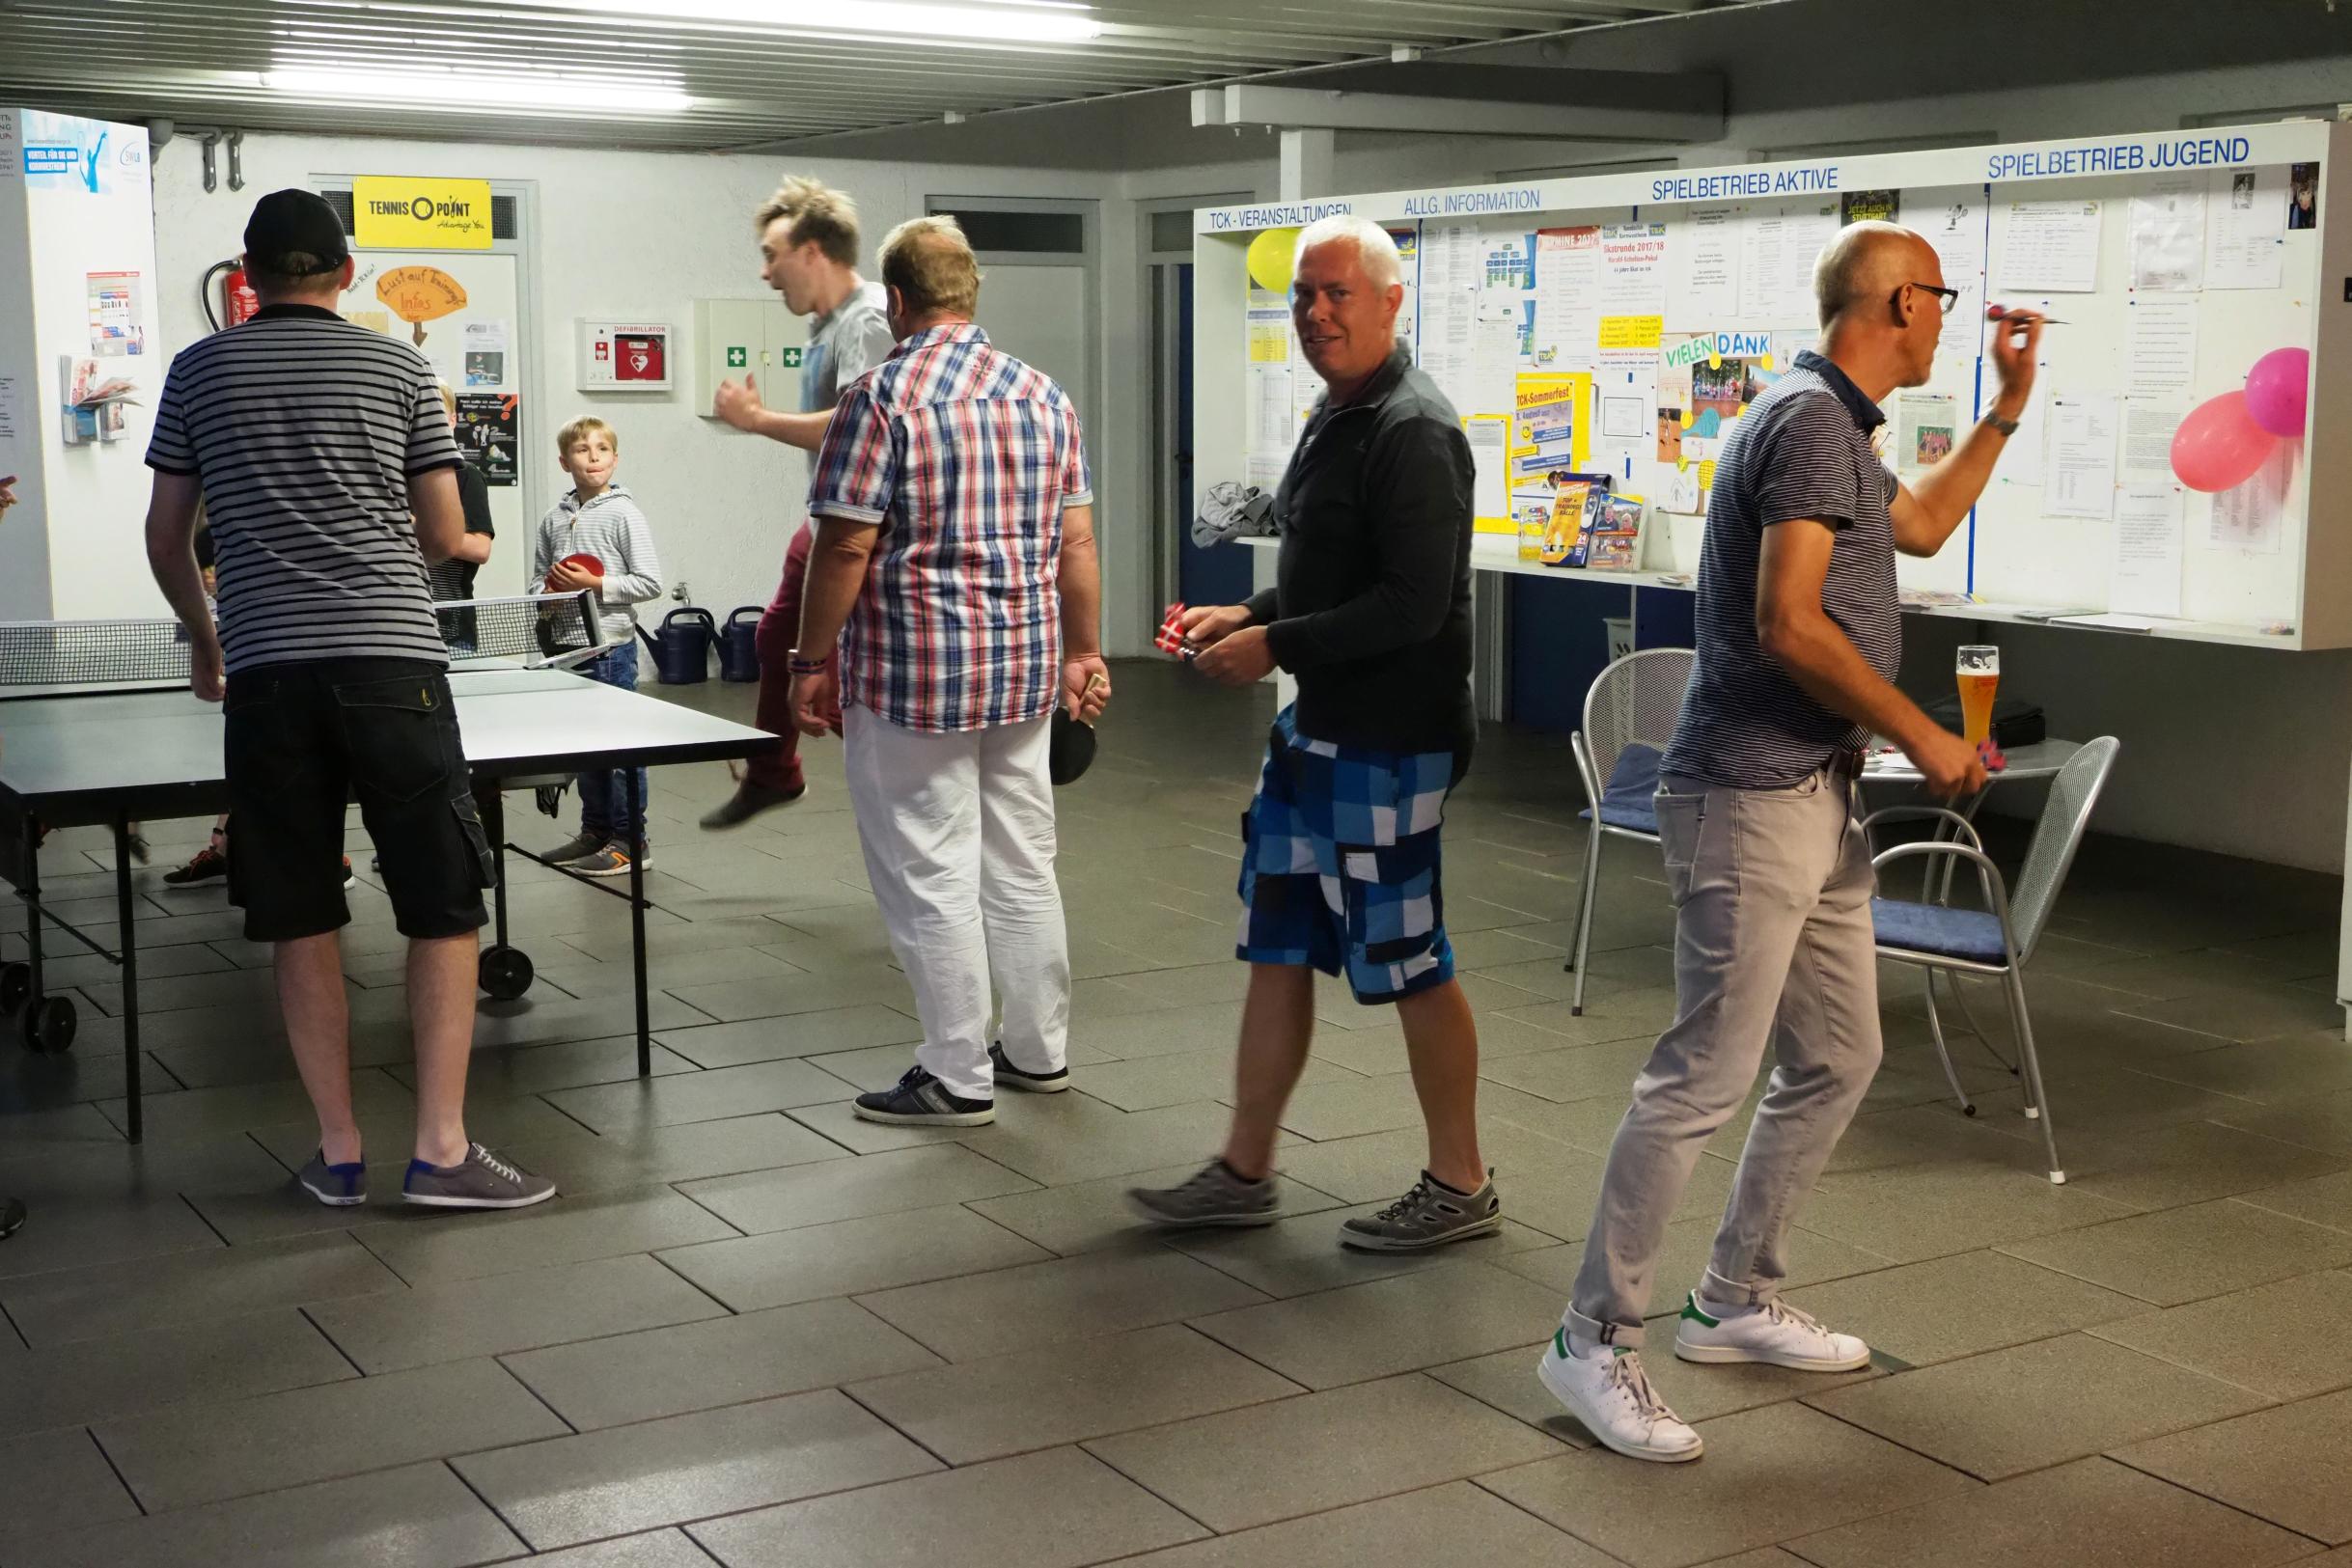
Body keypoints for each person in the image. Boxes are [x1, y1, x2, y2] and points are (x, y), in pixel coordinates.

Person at [1535, 222, 2038, 1463]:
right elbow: (1787, 622)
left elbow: (1923, 526)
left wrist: (2007, 407)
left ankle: (1733, 1297)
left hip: (1816, 796)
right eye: (1940, 296)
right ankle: (1590, 1339)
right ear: (1897, 301)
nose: (1948, 315)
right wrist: (1921, 732)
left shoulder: (1837, 426)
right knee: (1702, 1074)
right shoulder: (1809, 422)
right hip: (1750, 795)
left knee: (1839, 1053)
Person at [141, 187, 554, 1211]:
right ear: (348, 272)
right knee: (442, 907)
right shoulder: (400, 368)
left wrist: (206, 639)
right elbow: (444, 532)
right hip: (392, 664)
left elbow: (165, 535)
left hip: (267, 672)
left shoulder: (197, 369)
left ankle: (336, 1154)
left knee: (300, 914)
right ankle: (441, 1151)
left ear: (247, 278)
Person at [1126, 215, 1500, 1252]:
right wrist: (1246, 613)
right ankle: (1243, 1169)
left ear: (1390, 300)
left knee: (1409, 959)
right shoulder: (1339, 411)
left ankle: (1461, 1183)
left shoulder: (1413, 430)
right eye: (1303, 294)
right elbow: (1329, 571)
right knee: (1279, 943)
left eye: (1338, 293)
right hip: (1317, 734)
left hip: (1390, 742)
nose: (1316, 312)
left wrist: (1274, 644)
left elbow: (1411, 603)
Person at [788, 215, 1107, 1126]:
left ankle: (956, 1072)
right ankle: (1038, 1052)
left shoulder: (880, 398)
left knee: (929, 871)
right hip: (1024, 673)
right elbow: (1076, 542)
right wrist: (1084, 651)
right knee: (1023, 864)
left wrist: (810, 660)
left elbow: (844, 546)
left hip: (914, 676)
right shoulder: (1042, 394)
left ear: (895, 301)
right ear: (971, 293)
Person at [702, 176, 898, 831]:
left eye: (772, 255)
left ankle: (908, 770)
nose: (765, 273)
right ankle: (774, 773)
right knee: (776, 636)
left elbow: (859, 426)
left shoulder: (868, 319)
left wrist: (757, 420)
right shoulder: (827, 323)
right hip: (827, 515)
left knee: (827, 678)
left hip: (863, 526)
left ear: (812, 251)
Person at [533, 418, 663, 878]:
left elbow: (649, 582)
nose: (593, 456)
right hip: (567, 652)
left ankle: (630, 841)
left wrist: (595, 584)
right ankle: (595, 831)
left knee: (621, 751)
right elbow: (537, 580)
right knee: (586, 749)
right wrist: (546, 595)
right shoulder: (553, 520)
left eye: (602, 448)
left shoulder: (625, 515)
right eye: (582, 449)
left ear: (615, 458)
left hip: (610, 651)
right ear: (563, 461)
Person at [424, 382, 495, 627]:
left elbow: (480, 549)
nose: (428, 424)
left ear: (452, 420)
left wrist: (413, 525)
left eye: (436, 414)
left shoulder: (466, 475)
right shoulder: (394, 474)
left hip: (451, 621)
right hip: (407, 616)